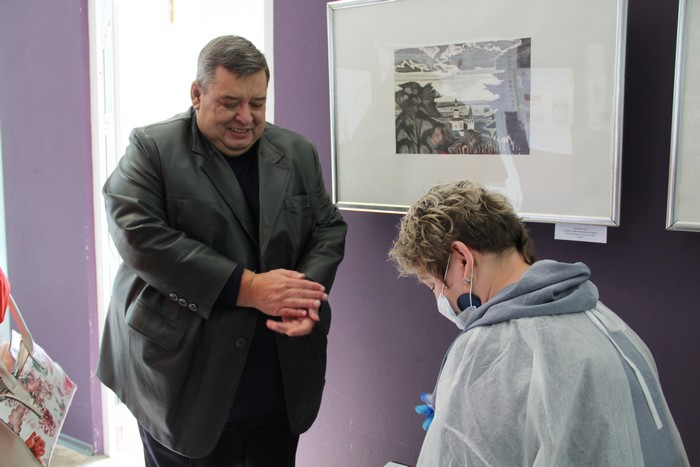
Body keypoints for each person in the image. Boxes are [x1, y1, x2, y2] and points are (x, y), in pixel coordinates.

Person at [97, 35, 347, 466]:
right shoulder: (152, 148)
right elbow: (138, 234)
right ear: (197, 94)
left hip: (277, 384)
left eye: (258, 103)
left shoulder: (298, 153)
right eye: (230, 103)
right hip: (181, 381)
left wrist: (299, 298)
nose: (245, 118)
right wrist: (249, 288)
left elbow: (327, 227)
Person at [389, 180, 689, 466]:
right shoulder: (604, 319)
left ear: (463, 260)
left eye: (432, 285)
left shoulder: (490, 350)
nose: (438, 298)